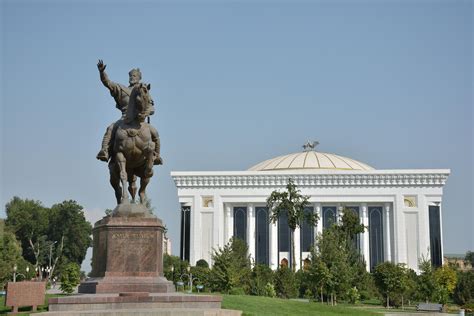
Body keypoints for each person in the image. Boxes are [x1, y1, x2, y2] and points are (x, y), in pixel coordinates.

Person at [96, 60, 162, 165]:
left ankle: (156, 156)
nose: (132, 78)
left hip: (140, 120)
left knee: (155, 133)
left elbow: (151, 108)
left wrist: (146, 112)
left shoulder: (144, 91)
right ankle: (105, 151)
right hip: (124, 119)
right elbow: (108, 83)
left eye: (135, 76)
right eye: (131, 76)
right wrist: (102, 73)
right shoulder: (122, 89)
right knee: (110, 128)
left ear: (139, 78)